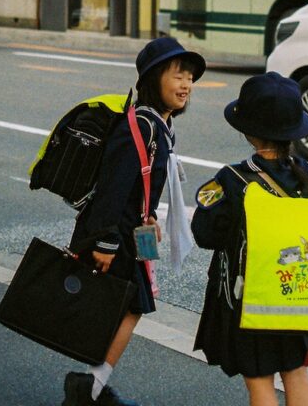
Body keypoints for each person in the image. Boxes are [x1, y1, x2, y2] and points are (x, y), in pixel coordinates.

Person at [62, 36, 206, 406]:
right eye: (178, 76)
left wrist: (151, 215)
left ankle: (90, 385)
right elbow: (113, 186)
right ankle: (89, 387)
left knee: (125, 308)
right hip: (117, 238)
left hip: (130, 233)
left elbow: (141, 182)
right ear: (154, 78)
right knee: (131, 307)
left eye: (189, 78)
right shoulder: (140, 126)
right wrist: (106, 243)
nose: (186, 85)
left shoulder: (159, 126)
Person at [191, 72, 308, 406]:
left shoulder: (233, 180)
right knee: (295, 371)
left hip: (251, 300)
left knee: (260, 379)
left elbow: (204, 235)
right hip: (297, 293)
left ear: (248, 131)